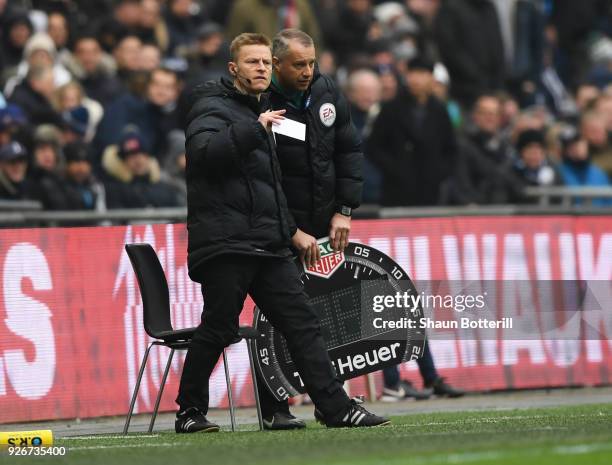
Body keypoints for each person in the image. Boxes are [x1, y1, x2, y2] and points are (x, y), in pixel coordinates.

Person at [176, 32, 388, 433]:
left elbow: (272, 189)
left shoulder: (264, 108)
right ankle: (189, 411)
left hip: (267, 244)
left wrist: (290, 233)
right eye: (253, 62)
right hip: (226, 243)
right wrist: (255, 129)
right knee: (219, 328)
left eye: (265, 63)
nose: (261, 69)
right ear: (234, 69)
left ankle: (335, 407)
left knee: (302, 323)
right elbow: (204, 157)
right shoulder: (212, 106)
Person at [253, 28, 364, 430]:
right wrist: (289, 229)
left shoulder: (327, 93)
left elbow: (348, 151)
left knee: (329, 314)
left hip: (323, 222)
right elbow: (265, 177)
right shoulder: (261, 102)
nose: (307, 71)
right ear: (276, 64)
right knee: (277, 317)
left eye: (312, 63)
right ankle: (274, 406)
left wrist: (344, 211)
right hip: (277, 228)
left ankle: (327, 400)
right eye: (298, 64)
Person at [368, 56, 457, 206]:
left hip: (429, 190)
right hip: (396, 191)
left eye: (422, 74)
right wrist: (395, 169)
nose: (416, 79)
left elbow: (451, 149)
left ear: (431, 78)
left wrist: (437, 173)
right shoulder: (391, 108)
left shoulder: (440, 110)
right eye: (412, 74)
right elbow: (374, 147)